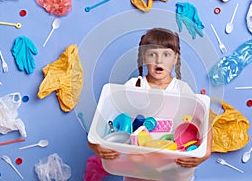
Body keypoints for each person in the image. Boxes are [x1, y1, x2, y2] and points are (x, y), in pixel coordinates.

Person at [88, 28, 212, 181]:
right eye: (152, 54)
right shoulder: (134, 86)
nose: (159, 61)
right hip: (137, 171)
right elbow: (101, 122)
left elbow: (203, 123)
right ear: (143, 58)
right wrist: (98, 147)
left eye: (166, 54)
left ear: (175, 59)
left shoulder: (182, 89)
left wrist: (205, 153)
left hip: (172, 169)